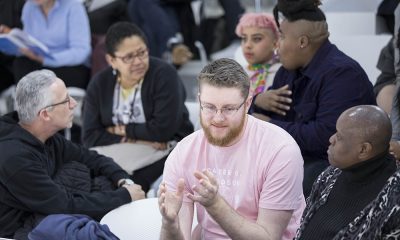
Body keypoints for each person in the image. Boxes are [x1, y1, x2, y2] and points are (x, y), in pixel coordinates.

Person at [158, 58, 305, 240]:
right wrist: (169, 225)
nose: (218, 118)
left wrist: (215, 204)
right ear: (199, 100)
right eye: (210, 107)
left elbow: (268, 237)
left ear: (247, 103)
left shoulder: (280, 150)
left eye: (229, 109)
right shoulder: (184, 152)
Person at [250, 0, 376, 197]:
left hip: (333, 165)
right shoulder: (287, 71)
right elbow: (258, 118)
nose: (276, 45)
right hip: (299, 156)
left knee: (294, 177)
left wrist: (270, 126)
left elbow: (324, 137)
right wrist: (257, 101)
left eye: (281, 37)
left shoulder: (343, 75)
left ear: (302, 42)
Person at [0, 70, 145, 239]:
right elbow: (64, 205)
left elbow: (90, 157)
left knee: (102, 180)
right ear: (45, 114)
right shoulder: (16, 158)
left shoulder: (44, 136)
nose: (74, 103)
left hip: (47, 206)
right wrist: (125, 195)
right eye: (66, 100)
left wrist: (123, 180)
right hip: (22, 227)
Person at [82, 22, 194, 193]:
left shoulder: (164, 75)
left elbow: (163, 131)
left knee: (124, 187)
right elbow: (90, 136)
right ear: (111, 60)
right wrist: (137, 138)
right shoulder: (99, 84)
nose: (138, 62)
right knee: (88, 178)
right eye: (128, 57)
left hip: (167, 150)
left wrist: (118, 130)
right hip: (119, 152)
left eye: (142, 53)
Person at [294, 105, 400, 239]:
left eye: (339, 137)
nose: (331, 139)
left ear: (363, 150)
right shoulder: (331, 173)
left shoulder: (393, 198)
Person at [6, 0, 92, 89]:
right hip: (40, 62)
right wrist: (12, 38)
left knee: (38, 79)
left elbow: (81, 52)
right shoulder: (29, 7)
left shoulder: (73, 7)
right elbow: (29, 41)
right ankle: (27, 98)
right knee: (20, 63)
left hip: (70, 66)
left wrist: (47, 59)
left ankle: (33, 98)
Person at [235, 12, 280, 96]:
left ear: (275, 43)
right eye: (244, 39)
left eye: (257, 39)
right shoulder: (238, 74)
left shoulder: (280, 74)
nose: (248, 45)